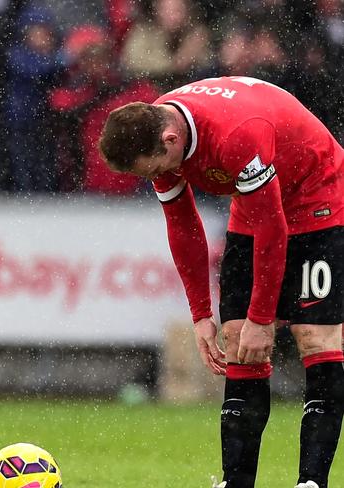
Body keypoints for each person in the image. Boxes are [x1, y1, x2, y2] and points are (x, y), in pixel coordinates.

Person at [98, 76, 344, 488]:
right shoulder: (157, 127)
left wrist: (263, 318)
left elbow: (274, 230)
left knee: (316, 338)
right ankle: (237, 482)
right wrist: (200, 315)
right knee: (237, 341)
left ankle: (311, 482)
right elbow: (183, 226)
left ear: (171, 139)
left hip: (318, 196)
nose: (161, 175)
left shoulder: (235, 135)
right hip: (255, 203)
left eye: (158, 168)